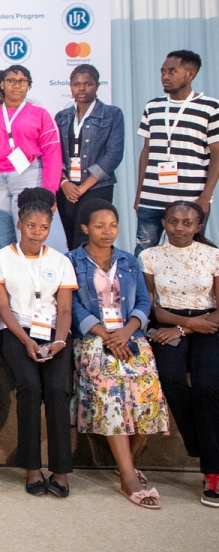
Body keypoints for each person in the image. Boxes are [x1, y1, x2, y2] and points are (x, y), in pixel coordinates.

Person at [68, 198, 167, 509]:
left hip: (131, 336)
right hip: (94, 339)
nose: (107, 231)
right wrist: (105, 334)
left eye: (112, 225)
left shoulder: (129, 261)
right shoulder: (71, 261)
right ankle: (128, 477)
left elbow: (142, 302)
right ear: (85, 228)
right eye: (99, 226)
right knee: (113, 392)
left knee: (149, 393)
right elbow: (72, 306)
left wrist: (126, 331)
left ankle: (127, 461)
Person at [0, 187, 76, 497]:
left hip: (54, 334)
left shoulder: (61, 260)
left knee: (57, 390)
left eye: (43, 228)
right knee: (29, 387)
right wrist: (26, 340)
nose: (37, 233)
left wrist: (60, 342)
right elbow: (2, 308)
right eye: (31, 226)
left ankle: (61, 469)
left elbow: (64, 309)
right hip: (16, 331)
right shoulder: (0, 259)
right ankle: (32, 467)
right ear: (19, 224)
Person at [139, 200, 219, 507]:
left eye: (187, 223)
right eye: (173, 221)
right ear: (163, 222)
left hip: (209, 325)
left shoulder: (213, 256)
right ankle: (200, 444)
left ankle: (212, 472)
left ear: (198, 227)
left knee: (207, 384)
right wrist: (183, 325)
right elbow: (150, 307)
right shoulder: (150, 256)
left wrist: (186, 329)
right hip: (168, 323)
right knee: (171, 379)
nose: (179, 228)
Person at [134, 50, 218, 254]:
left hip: (191, 199)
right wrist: (139, 194)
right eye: (163, 71)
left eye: (172, 71)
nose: (165, 76)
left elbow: (217, 155)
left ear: (191, 73)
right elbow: (146, 151)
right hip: (152, 197)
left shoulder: (210, 108)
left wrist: (205, 197)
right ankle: (146, 289)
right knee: (144, 252)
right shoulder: (153, 106)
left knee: (190, 253)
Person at [0, 65, 63, 249]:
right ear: (2, 85)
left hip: (28, 176)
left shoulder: (40, 113)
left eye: (22, 81)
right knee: (3, 241)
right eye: (11, 81)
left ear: (28, 86)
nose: (16, 85)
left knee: (28, 237)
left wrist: (50, 191)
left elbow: (52, 153)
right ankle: (8, 278)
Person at [54, 65, 125, 249]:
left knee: (88, 238)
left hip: (97, 186)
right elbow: (55, 153)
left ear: (97, 85)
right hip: (67, 188)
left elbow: (114, 154)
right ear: (70, 86)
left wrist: (84, 187)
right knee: (70, 237)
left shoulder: (112, 114)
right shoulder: (61, 116)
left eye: (88, 84)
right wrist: (64, 182)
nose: (82, 88)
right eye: (76, 84)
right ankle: (74, 276)